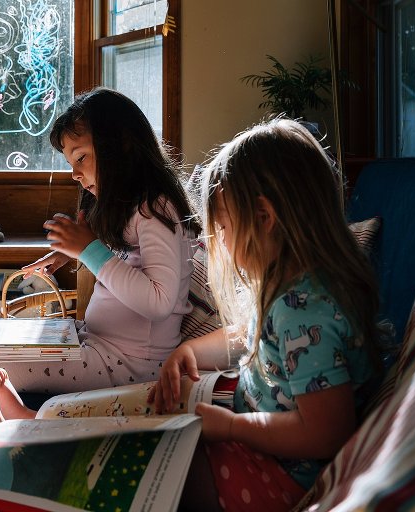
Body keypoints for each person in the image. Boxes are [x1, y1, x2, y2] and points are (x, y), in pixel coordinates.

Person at [149, 118, 385, 511]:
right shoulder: (293, 290)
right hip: (261, 442)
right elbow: (249, 335)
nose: (220, 239)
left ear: (263, 217)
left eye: (223, 226)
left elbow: (326, 433)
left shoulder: (306, 311)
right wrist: (189, 351)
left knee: (162, 465)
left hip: (281, 476)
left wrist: (230, 427)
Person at [0, 87, 200, 440]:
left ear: (121, 146)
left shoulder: (156, 210)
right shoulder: (133, 208)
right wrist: (70, 252)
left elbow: (159, 302)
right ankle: (4, 435)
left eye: (80, 157)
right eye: (71, 163)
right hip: (97, 343)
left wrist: (89, 251)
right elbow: (122, 262)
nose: (75, 174)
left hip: (128, 365)